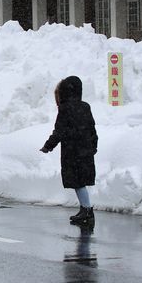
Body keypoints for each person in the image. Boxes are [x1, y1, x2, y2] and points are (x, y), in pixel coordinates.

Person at [41, 75, 98, 225]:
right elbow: (92, 128)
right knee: (81, 182)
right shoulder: (85, 107)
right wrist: (94, 146)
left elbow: (59, 131)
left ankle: (87, 210)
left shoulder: (65, 109)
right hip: (85, 150)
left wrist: (48, 146)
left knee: (78, 182)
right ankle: (84, 208)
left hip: (73, 151)